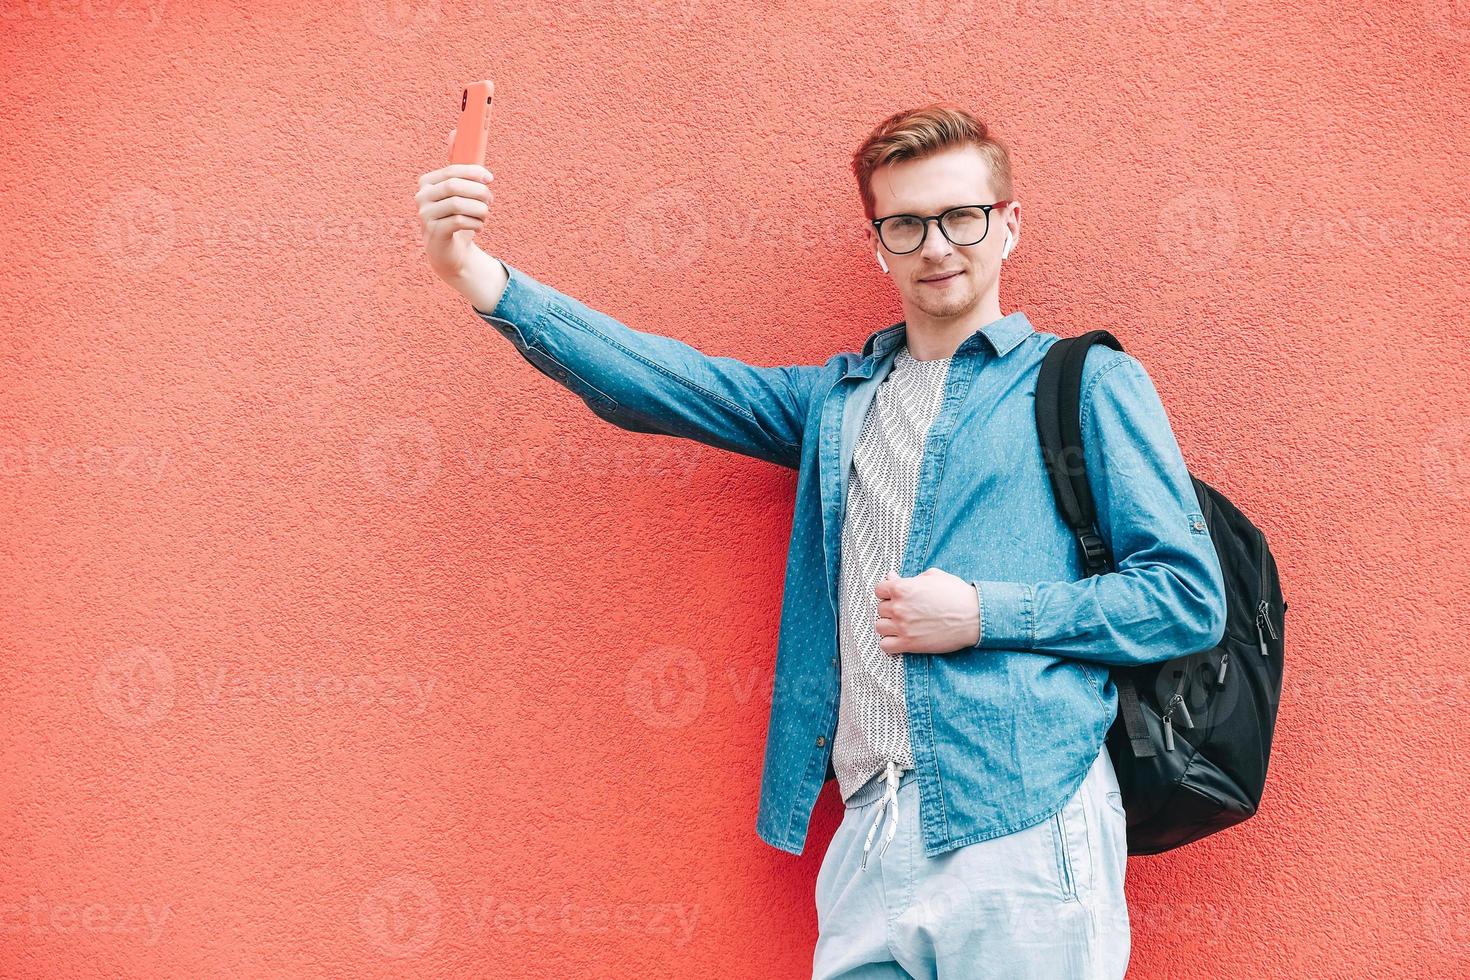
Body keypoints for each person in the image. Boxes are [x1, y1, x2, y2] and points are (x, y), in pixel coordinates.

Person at [415, 102, 1226, 979]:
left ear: (1008, 225)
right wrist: (475, 274)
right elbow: (665, 382)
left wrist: (983, 613)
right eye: (906, 225)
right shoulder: (839, 405)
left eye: (961, 217)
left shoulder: (1086, 382)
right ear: (878, 242)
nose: (937, 247)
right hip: (871, 835)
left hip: (1022, 819)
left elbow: (1186, 598)